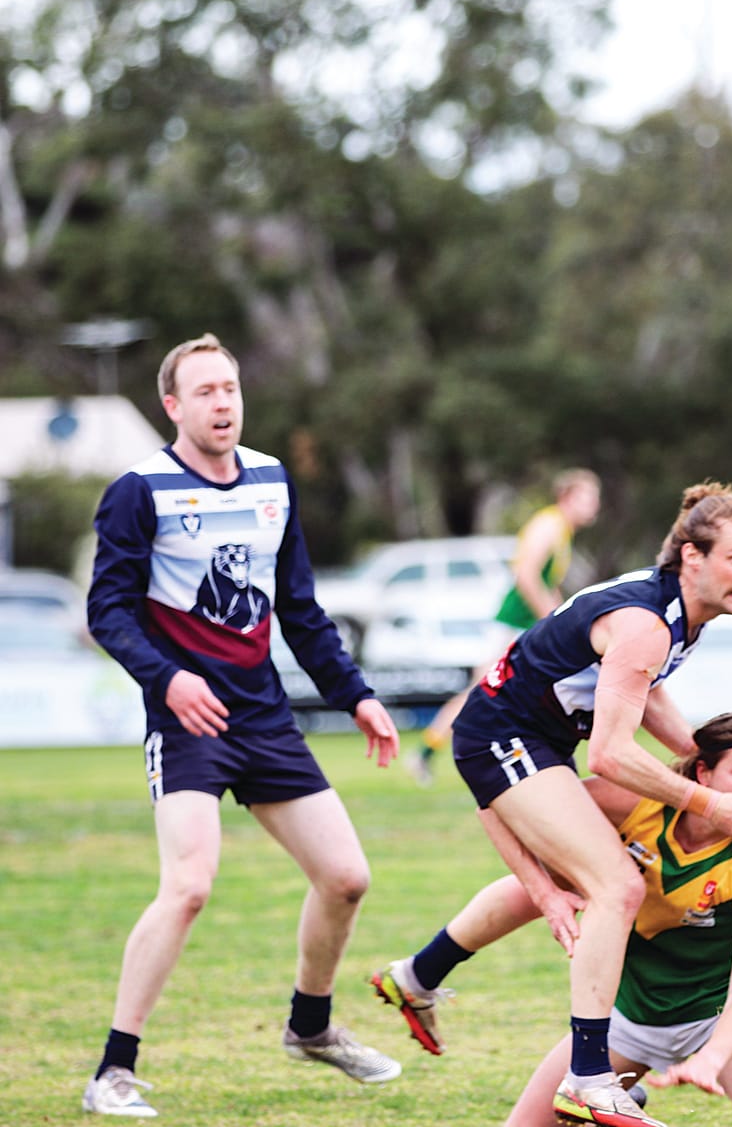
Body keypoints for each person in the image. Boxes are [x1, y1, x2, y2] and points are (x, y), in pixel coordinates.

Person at [81, 334, 403, 1118]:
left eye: (230, 388)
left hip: (262, 714)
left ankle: (311, 1027)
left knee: (346, 876)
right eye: (205, 392)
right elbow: (107, 611)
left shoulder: (271, 480)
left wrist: (353, 692)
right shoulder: (140, 489)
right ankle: (112, 1073)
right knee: (189, 885)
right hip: (187, 717)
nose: (223, 403)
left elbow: (299, 608)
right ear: (173, 406)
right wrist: (170, 678)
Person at [407, 483, 732, 1127]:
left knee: (570, 883)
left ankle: (418, 975)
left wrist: (715, 761)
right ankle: (588, 1075)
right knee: (615, 886)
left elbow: (651, 703)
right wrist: (712, 802)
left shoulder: (675, 613)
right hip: (505, 737)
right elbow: (610, 753)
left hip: (536, 739)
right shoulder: (646, 625)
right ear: (693, 556)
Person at [373, 711, 732, 1127]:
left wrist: (713, 1057)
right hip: (626, 1021)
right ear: (702, 772)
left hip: (715, 1021)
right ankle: (422, 970)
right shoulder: (636, 804)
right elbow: (498, 803)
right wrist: (545, 892)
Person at [410, 468, 602, 785]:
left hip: (523, 624)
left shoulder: (560, 529)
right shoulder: (549, 524)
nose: (595, 505)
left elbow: (546, 582)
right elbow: (526, 576)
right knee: (480, 689)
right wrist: (553, 623)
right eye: (589, 497)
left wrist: (561, 613)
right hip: (513, 623)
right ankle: (427, 753)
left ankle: (543, 757)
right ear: (567, 497)